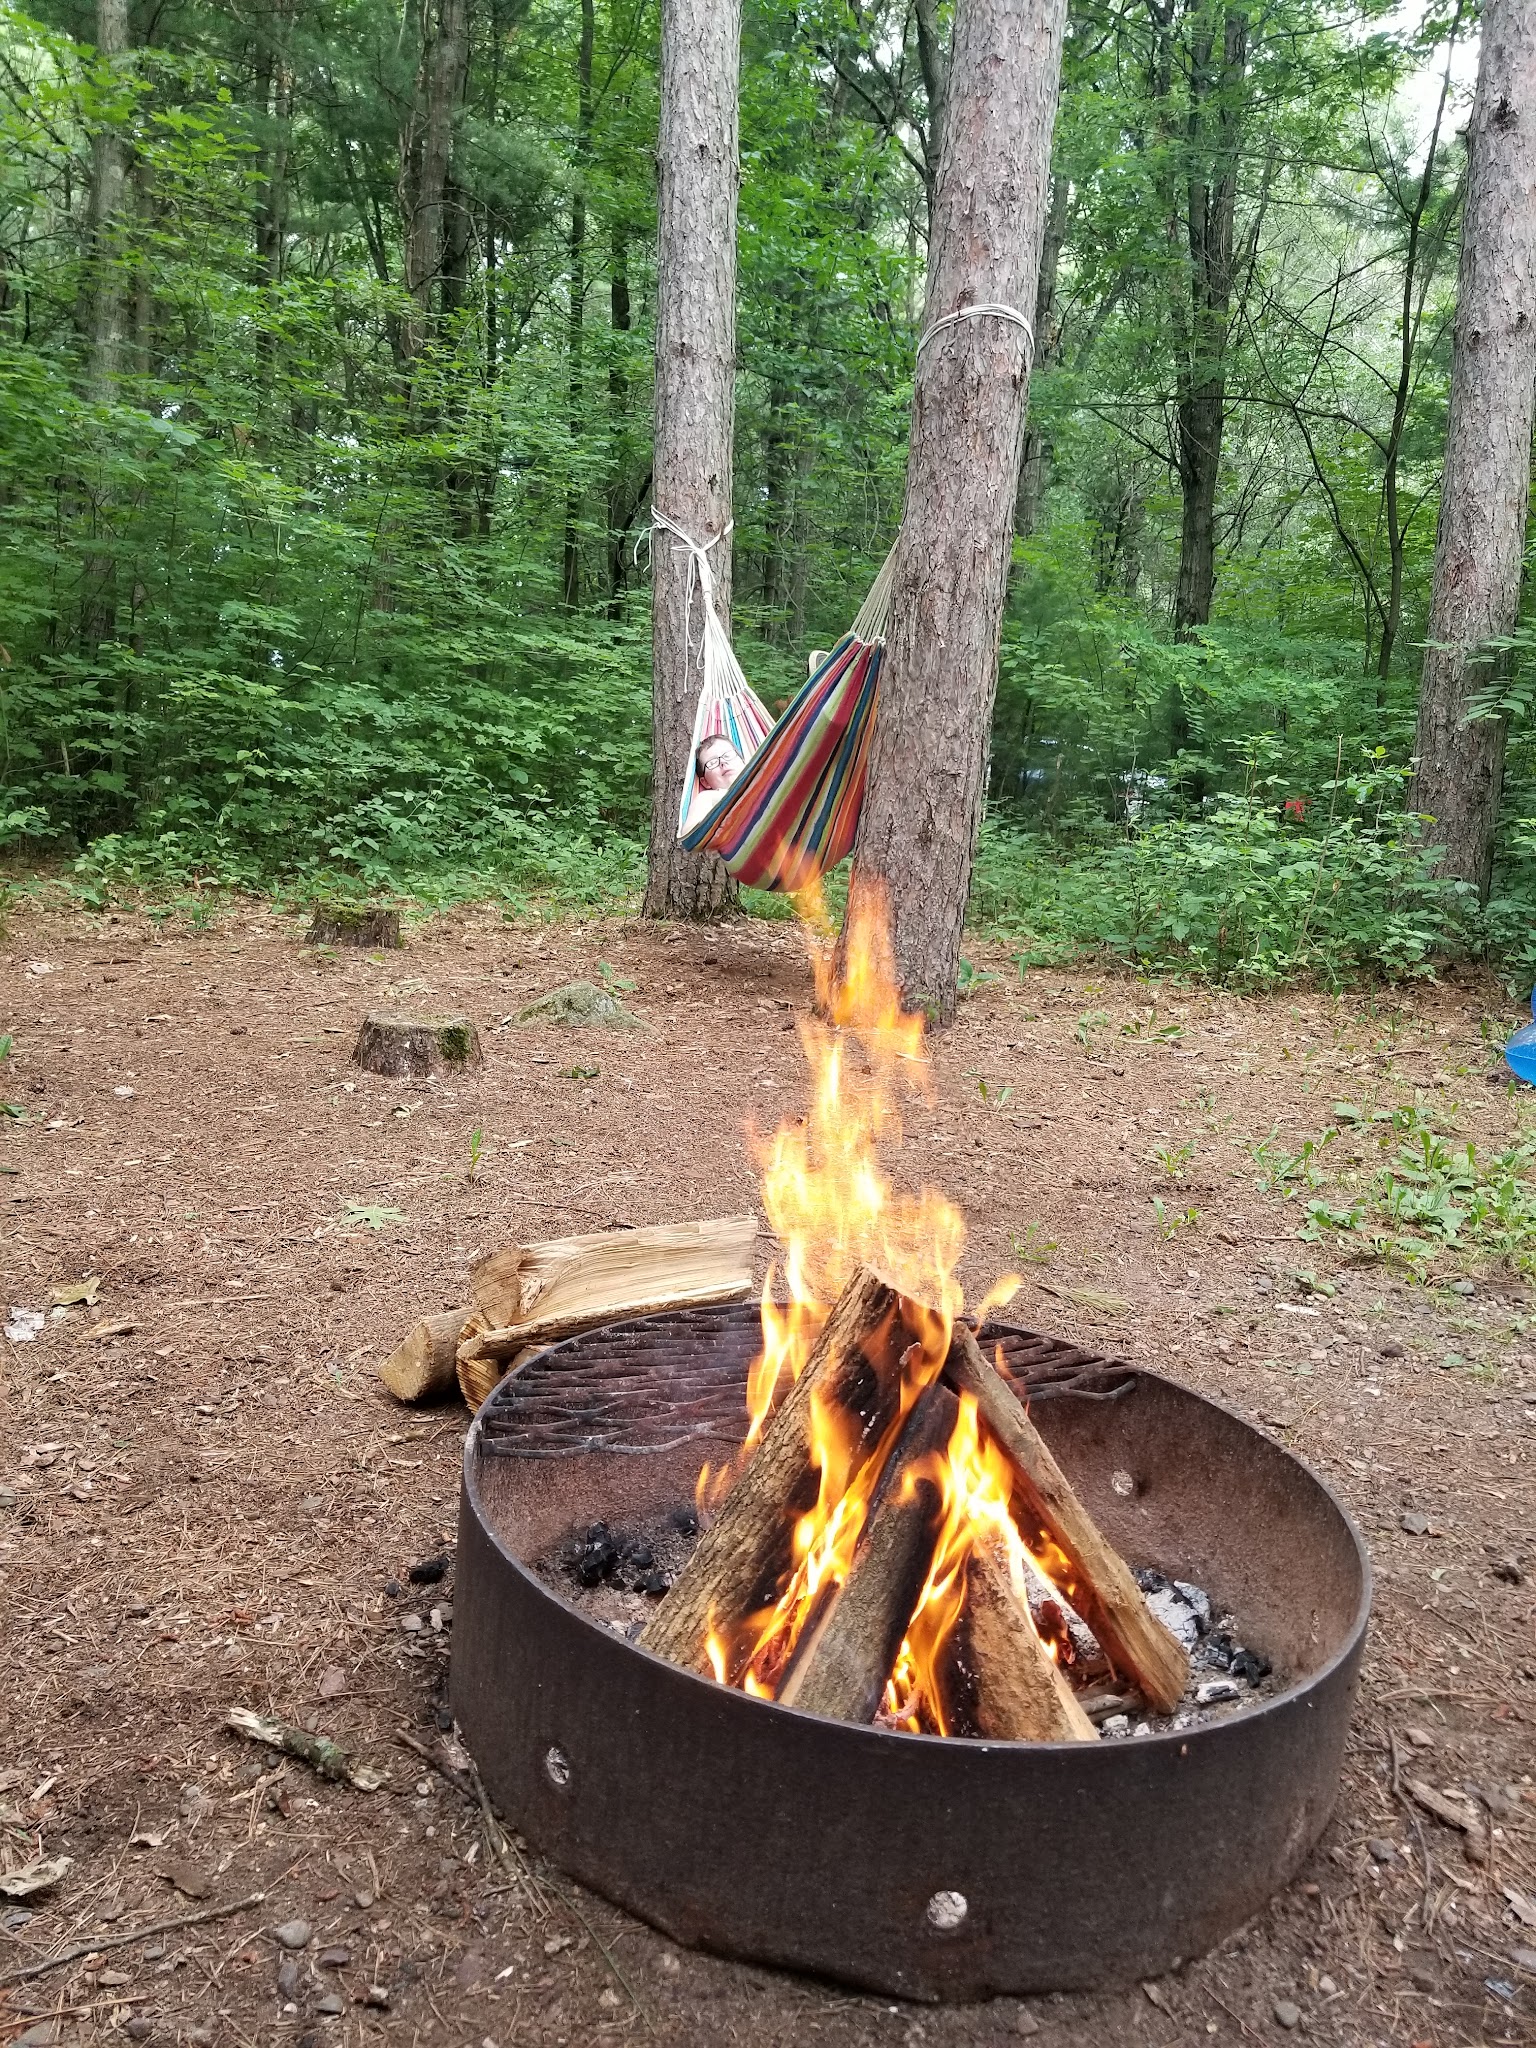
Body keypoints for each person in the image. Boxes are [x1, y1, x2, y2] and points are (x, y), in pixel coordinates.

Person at [685, 733, 745, 831]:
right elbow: (691, 834)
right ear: (705, 782)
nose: (722, 762)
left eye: (727, 755)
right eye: (712, 763)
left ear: (742, 761)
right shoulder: (706, 798)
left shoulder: (767, 775)